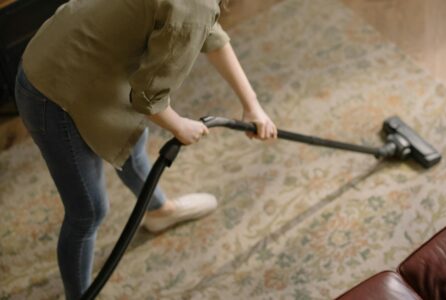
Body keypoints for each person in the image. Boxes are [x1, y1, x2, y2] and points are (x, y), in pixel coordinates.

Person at [14, 0, 277, 298]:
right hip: (52, 92)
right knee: (87, 211)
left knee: (132, 144)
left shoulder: (197, 7)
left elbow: (209, 32)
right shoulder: (194, 8)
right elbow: (147, 98)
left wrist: (251, 105)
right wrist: (178, 125)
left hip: (82, 59)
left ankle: (159, 212)